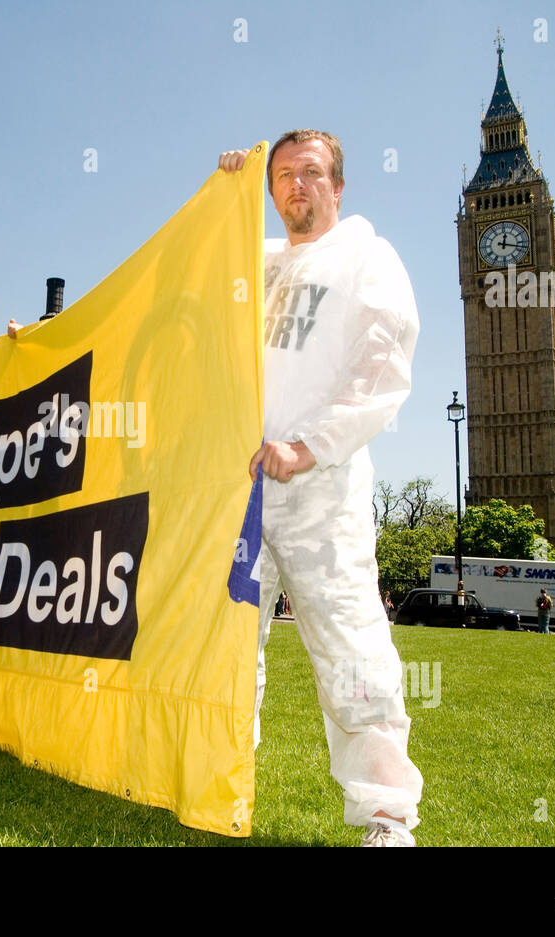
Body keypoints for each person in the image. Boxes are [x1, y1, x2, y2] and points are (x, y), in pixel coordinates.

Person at [219, 130, 422, 847]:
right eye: (280, 176)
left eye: (310, 172)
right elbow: (182, 302)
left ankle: (387, 817)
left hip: (319, 490)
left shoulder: (367, 257)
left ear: (338, 186)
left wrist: (308, 446)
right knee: (229, 647)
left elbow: (382, 362)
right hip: (241, 489)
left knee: (351, 647)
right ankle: (220, 785)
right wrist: (226, 195)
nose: (295, 185)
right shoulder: (258, 259)